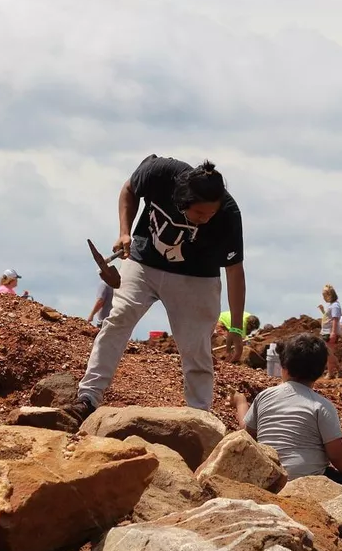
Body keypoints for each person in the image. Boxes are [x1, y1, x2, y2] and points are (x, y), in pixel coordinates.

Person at [65, 155, 246, 425]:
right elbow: (129, 190)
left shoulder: (228, 214)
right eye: (199, 213)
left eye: (211, 213)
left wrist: (236, 328)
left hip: (196, 279)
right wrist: (124, 232)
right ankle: (87, 398)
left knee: (196, 347)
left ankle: (199, 418)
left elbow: (234, 271)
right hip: (144, 262)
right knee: (117, 320)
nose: (206, 219)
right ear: (183, 200)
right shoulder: (159, 172)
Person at [230, 333, 342, 485]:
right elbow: (337, 455)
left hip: (269, 477)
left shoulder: (264, 396)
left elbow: (246, 432)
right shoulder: (322, 406)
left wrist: (241, 403)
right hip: (308, 480)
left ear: (284, 366)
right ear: (321, 372)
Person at [317, 284, 341, 378]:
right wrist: (323, 311)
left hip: (330, 331)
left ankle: (339, 370)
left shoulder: (335, 306)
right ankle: (330, 373)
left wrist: (333, 333)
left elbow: (335, 319)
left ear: (329, 295)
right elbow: (328, 318)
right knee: (329, 354)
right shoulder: (332, 305)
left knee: (328, 353)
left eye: (324, 296)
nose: (323, 298)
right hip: (327, 331)